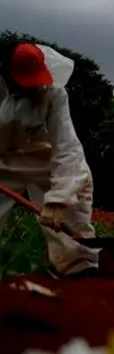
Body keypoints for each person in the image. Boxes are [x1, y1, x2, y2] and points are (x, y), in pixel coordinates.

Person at [0, 42, 99, 277]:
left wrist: (60, 197)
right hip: (3, 161)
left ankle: (79, 270)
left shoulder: (54, 93)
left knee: (73, 213)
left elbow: (66, 146)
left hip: (46, 160)